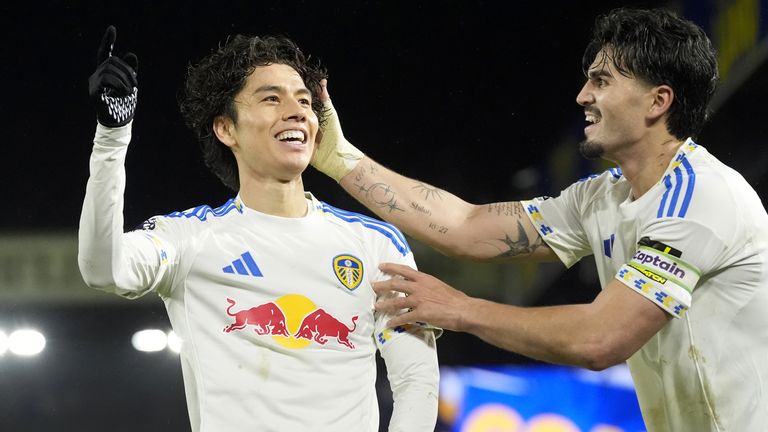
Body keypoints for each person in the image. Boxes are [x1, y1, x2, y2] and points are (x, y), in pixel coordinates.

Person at [311, 7, 768, 432]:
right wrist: (339, 158)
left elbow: (600, 339)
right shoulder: (601, 197)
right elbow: (466, 226)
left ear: (657, 101)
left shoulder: (699, 198)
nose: (583, 95)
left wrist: (462, 309)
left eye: (602, 81)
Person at [77, 26, 439, 432]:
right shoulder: (188, 239)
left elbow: (416, 379)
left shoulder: (376, 244)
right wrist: (112, 138)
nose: (296, 110)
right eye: (271, 98)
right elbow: (103, 269)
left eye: (304, 100)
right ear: (226, 128)